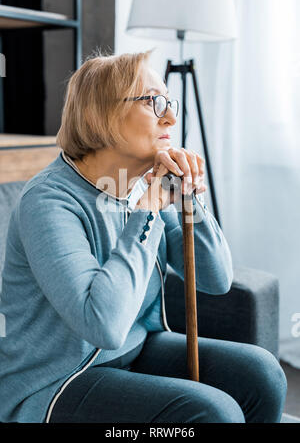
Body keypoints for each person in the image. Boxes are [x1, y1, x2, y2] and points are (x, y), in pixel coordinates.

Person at [0, 49, 287, 423]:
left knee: (262, 374)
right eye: (154, 102)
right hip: (54, 384)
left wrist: (188, 200)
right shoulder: (49, 201)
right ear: (100, 113)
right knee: (213, 412)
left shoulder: (138, 185)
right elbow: (103, 325)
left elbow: (216, 280)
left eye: (169, 102)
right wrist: (148, 211)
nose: (170, 116)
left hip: (134, 350)